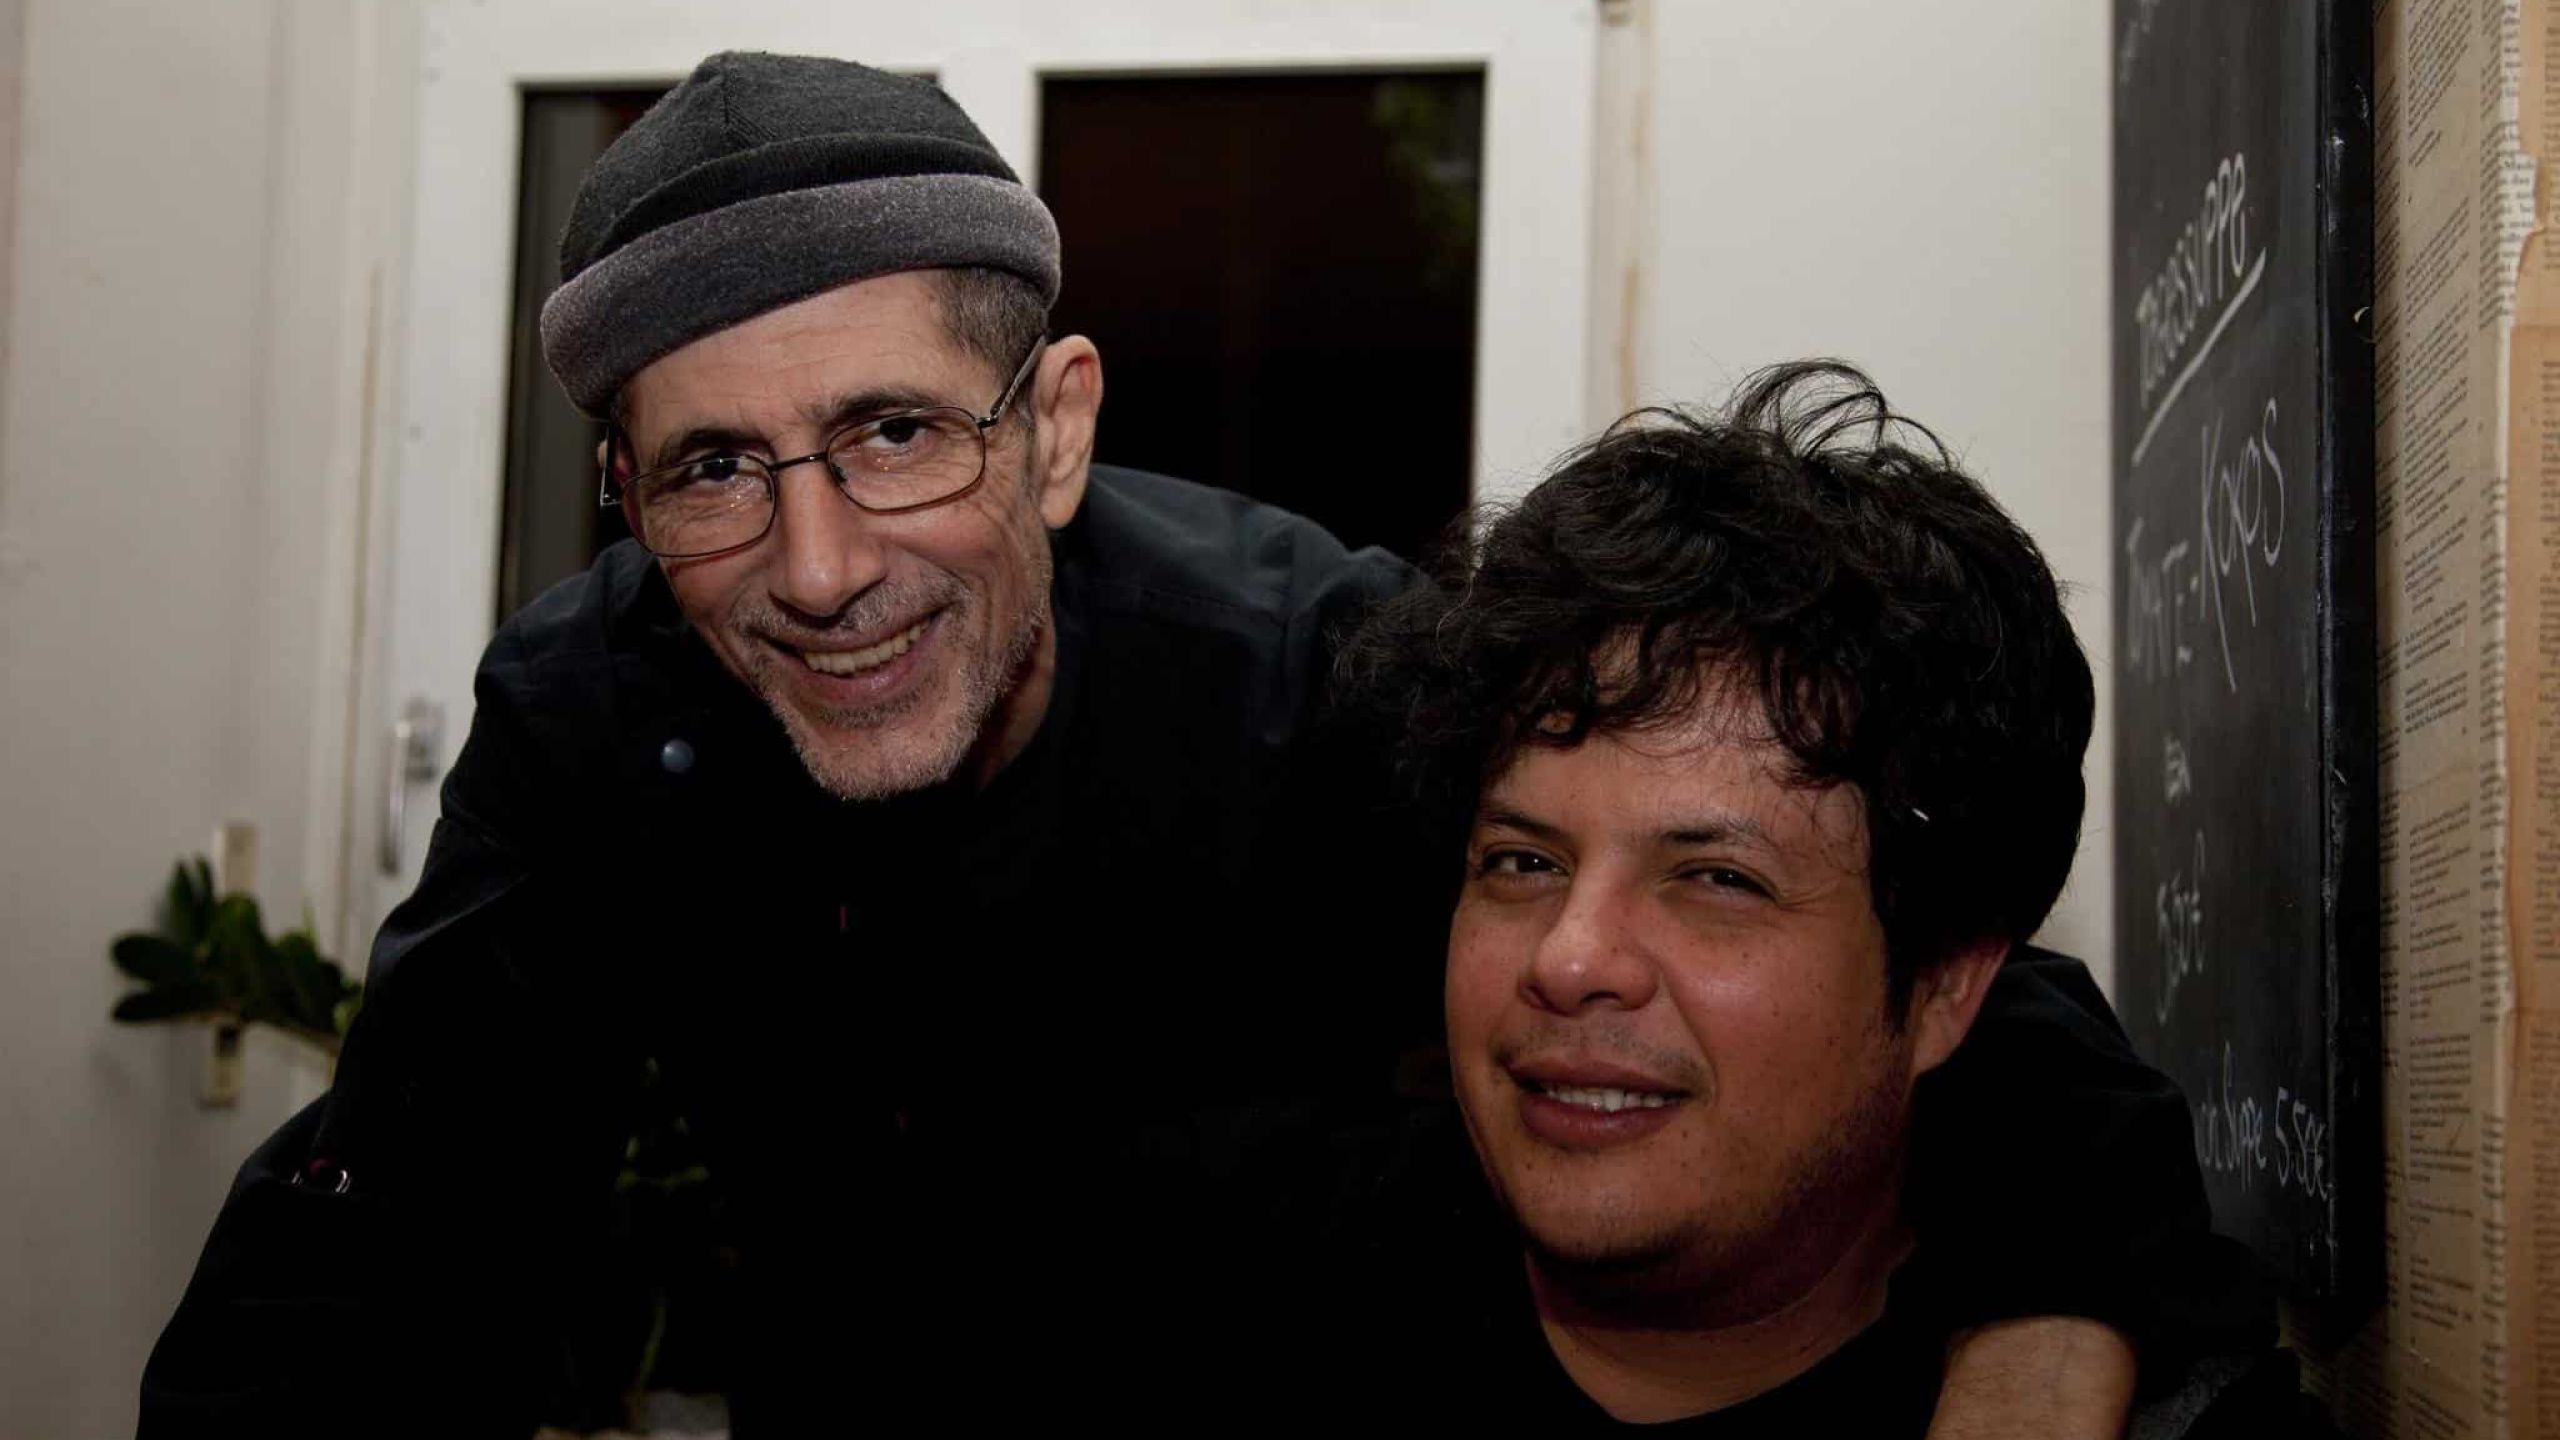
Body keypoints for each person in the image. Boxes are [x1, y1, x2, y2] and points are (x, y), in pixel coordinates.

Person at [142, 54, 2236, 1434]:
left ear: (1053, 428)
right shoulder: (599, 719)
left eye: (895, 432)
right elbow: (383, 1242)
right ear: (625, 496)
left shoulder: (1316, 670)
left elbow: (1915, 993)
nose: (818, 565)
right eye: (711, 470)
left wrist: (2038, 1360)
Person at [1297, 361, 2307, 1434]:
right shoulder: (1230, 1303)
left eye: (1717, 880)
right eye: (1523, 863)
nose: (1570, 957)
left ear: (1942, 985)